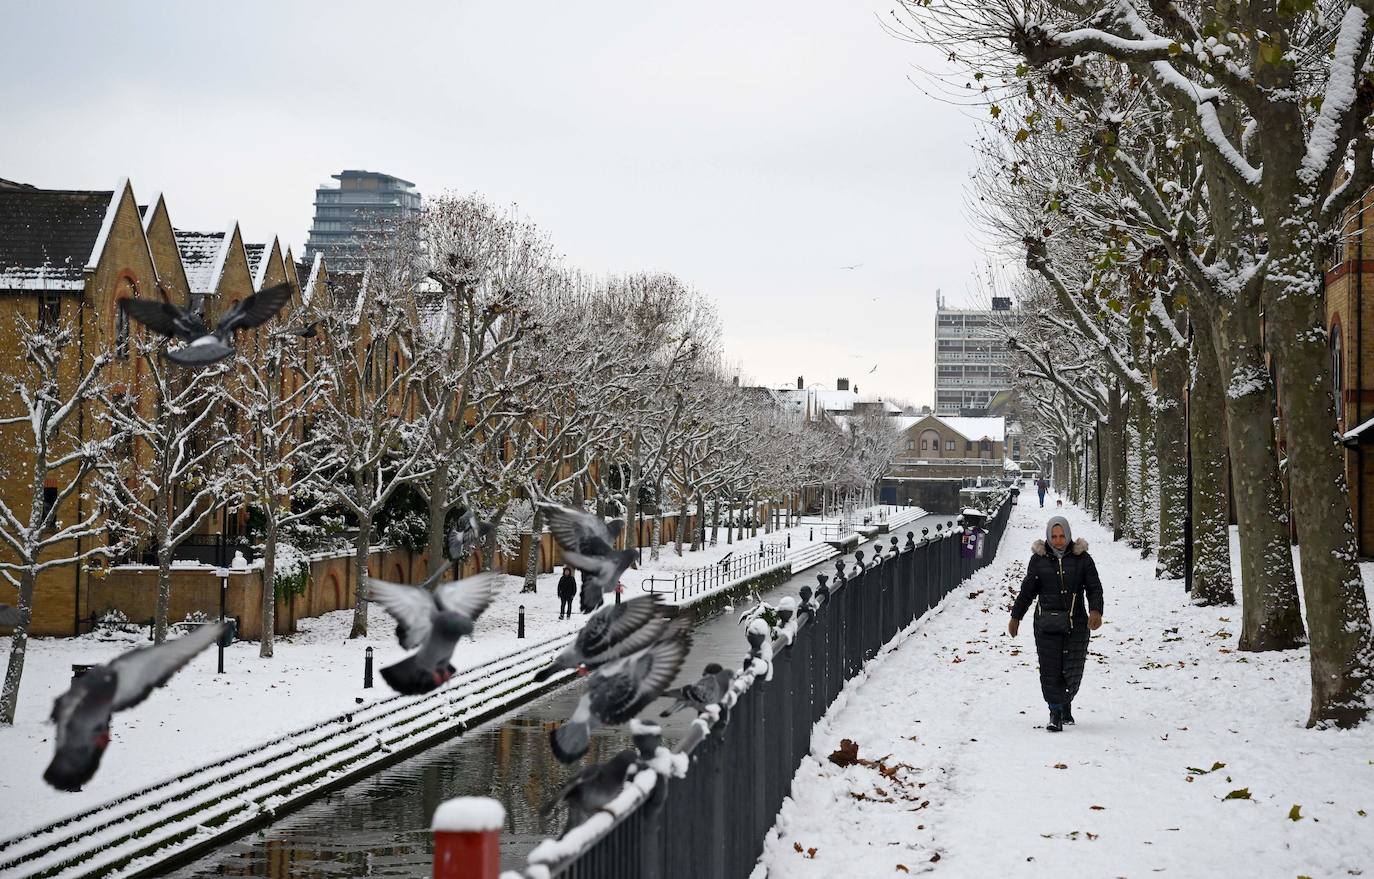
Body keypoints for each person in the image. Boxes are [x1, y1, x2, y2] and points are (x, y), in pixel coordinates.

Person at [1007, 516, 1103, 732]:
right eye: (1054, 536)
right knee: (1050, 669)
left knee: (1072, 668)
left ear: (1068, 535)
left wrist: (1096, 610)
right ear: (1048, 536)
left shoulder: (1083, 559)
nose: (1058, 541)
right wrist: (1016, 616)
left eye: (1061, 536)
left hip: (1076, 623)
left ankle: (1066, 703)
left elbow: (1094, 587)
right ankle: (1055, 712)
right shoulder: (1038, 560)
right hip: (1046, 624)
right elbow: (1027, 591)